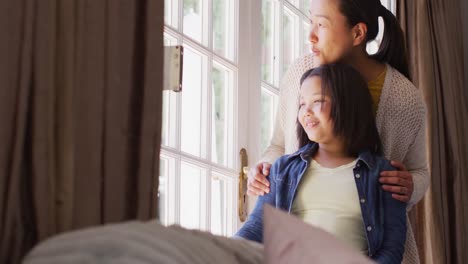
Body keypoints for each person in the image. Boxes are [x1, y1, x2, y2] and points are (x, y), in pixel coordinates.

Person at [247, 0, 428, 263]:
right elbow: (278, 144)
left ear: (357, 33)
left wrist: (411, 185)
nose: (310, 35)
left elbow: (419, 170)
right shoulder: (301, 72)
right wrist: (264, 169)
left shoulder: (404, 99)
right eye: (311, 22)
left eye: (321, 24)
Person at [237, 64, 407, 263]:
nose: (306, 112)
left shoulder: (383, 174)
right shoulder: (283, 170)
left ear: (347, 105)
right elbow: (256, 227)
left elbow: (392, 248)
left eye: (317, 101)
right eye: (301, 104)